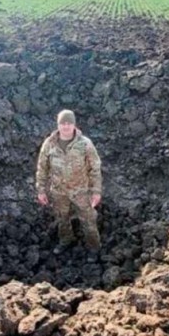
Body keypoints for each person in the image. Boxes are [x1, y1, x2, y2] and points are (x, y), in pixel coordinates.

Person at [36, 109, 102, 255]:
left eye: (69, 123)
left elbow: (95, 168)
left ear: (74, 124)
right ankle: (66, 240)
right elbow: (42, 168)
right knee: (62, 219)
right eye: (62, 123)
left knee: (88, 220)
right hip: (59, 191)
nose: (65, 126)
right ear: (58, 125)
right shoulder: (49, 144)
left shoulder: (85, 144)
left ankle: (94, 247)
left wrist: (96, 191)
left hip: (81, 191)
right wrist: (41, 190)